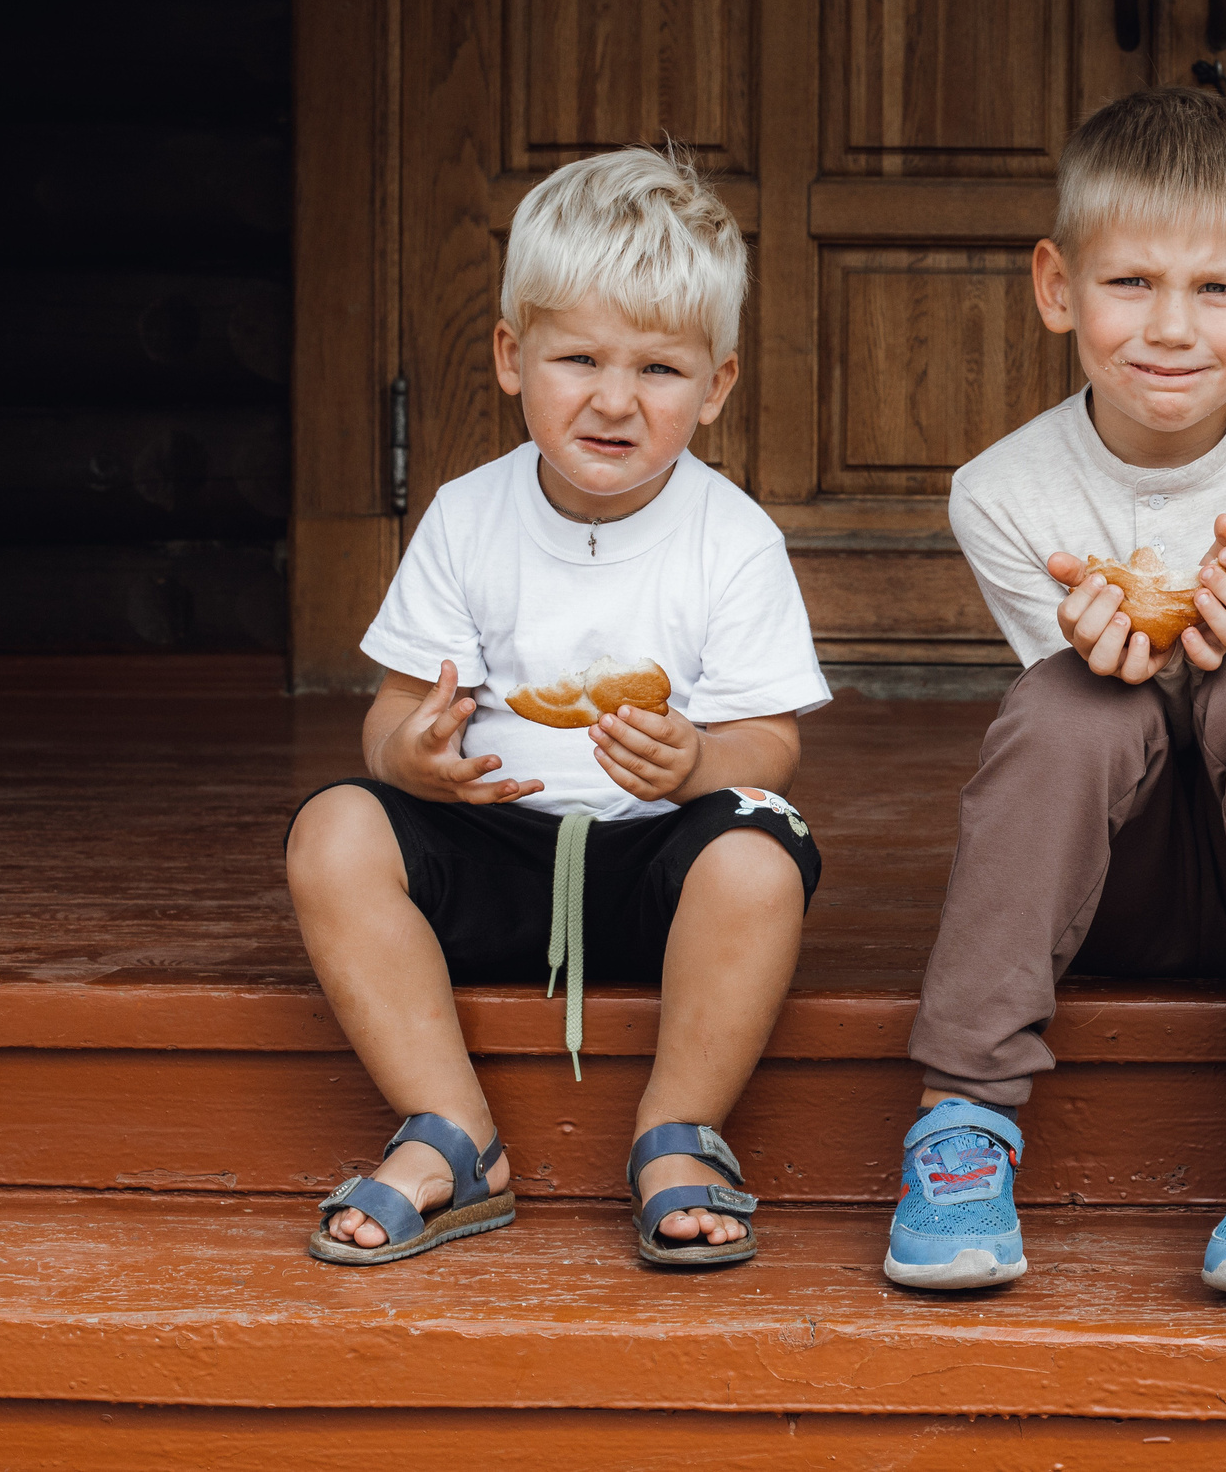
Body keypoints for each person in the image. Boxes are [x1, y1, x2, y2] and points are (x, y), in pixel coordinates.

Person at [890, 88, 1226, 1299]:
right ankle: (962, 1111)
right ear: (1056, 287)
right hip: (1110, 882)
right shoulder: (1001, 495)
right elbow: (1114, 712)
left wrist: (1221, 640)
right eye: (1129, 285)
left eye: (1216, 290)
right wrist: (1113, 654)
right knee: (1073, 700)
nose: (1171, 329)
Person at [285, 146, 829, 1269]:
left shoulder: (732, 538)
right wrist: (414, 758)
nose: (615, 400)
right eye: (577, 356)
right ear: (509, 356)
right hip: (496, 847)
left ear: (718, 385)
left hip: (655, 867)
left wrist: (693, 765)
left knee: (763, 855)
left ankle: (678, 1134)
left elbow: (771, 740)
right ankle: (453, 1134)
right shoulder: (466, 517)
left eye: (661, 370)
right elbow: (390, 718)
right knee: (331, 828)